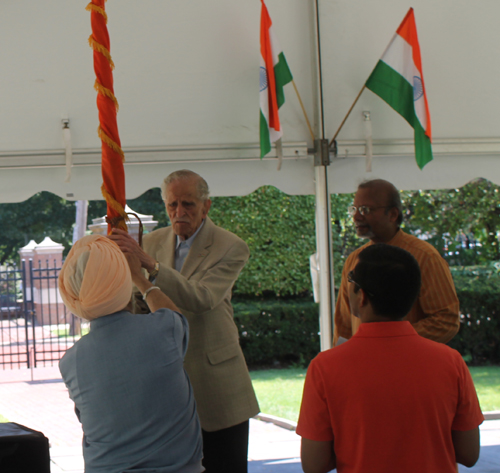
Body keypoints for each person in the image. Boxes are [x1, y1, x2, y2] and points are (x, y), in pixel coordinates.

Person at [109, 169, 259, 473]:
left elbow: (200, 298)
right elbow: (139, 305)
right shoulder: (151, 241)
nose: (179, 213)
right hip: (165, 389)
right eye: (172, 204)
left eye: (188, 204)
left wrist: (148, 265)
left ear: (207, 206)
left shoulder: (231, 246)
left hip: (217, 386)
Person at [297, 244, 483, 473]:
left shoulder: (325, 367)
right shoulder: (450, 362)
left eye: (351, 280)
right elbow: (469, 453)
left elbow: (313, 464)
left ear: (361, 296)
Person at [58, 235, 203, 473]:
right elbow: (173, 314)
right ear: (122, 280)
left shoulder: (70, 362)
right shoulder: (164, 329)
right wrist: (139, 277)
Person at [334, 178, 460, 345]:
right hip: (365, 365)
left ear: (393, 214)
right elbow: (343, 325)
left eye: (366, 209)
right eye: (354, 209)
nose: (357, 216)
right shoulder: (354, 260)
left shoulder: (425, 256)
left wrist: (391, 340)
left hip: (408, 365)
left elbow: (446, 321)